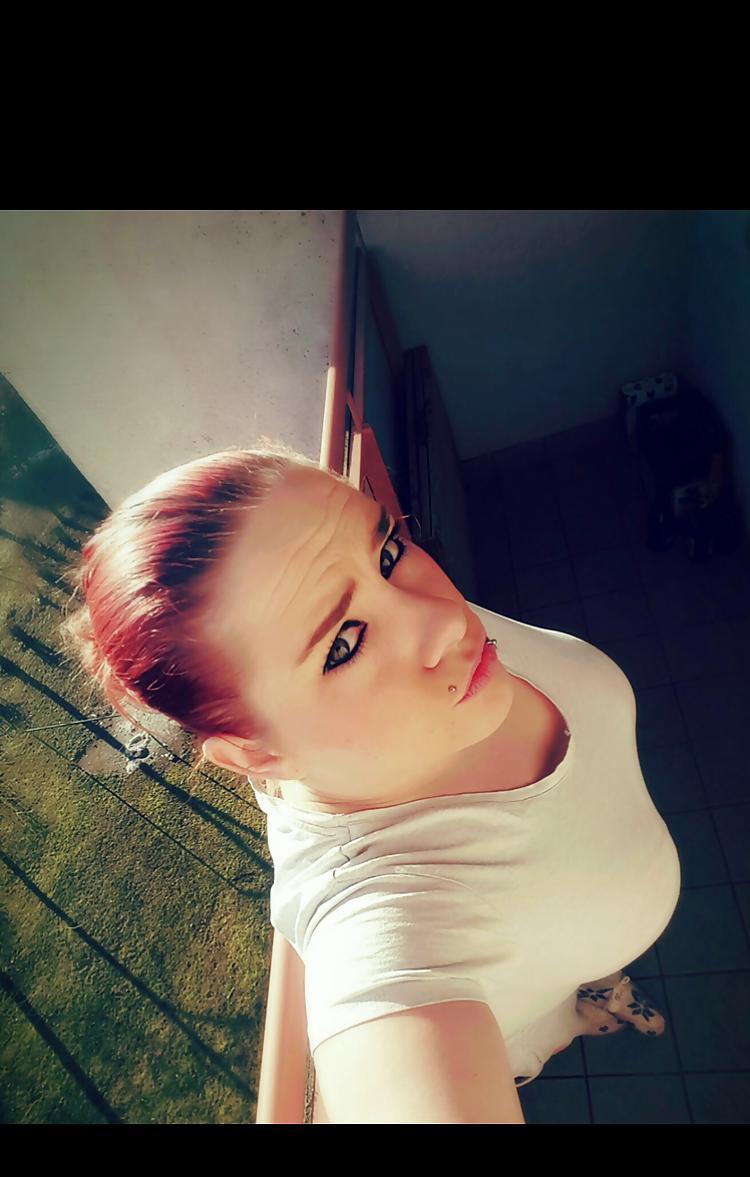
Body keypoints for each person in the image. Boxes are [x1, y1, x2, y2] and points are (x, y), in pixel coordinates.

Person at [59, 439, 678, 1122]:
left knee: (572, 969)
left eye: (386, 552)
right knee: (548, 1021)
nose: (446, 617)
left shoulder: (410, 655)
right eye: (344, 644)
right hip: (509, 1019)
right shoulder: (382, 921)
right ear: (258, 755)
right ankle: (582, 1013)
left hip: (555, 948)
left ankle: (594, 989)